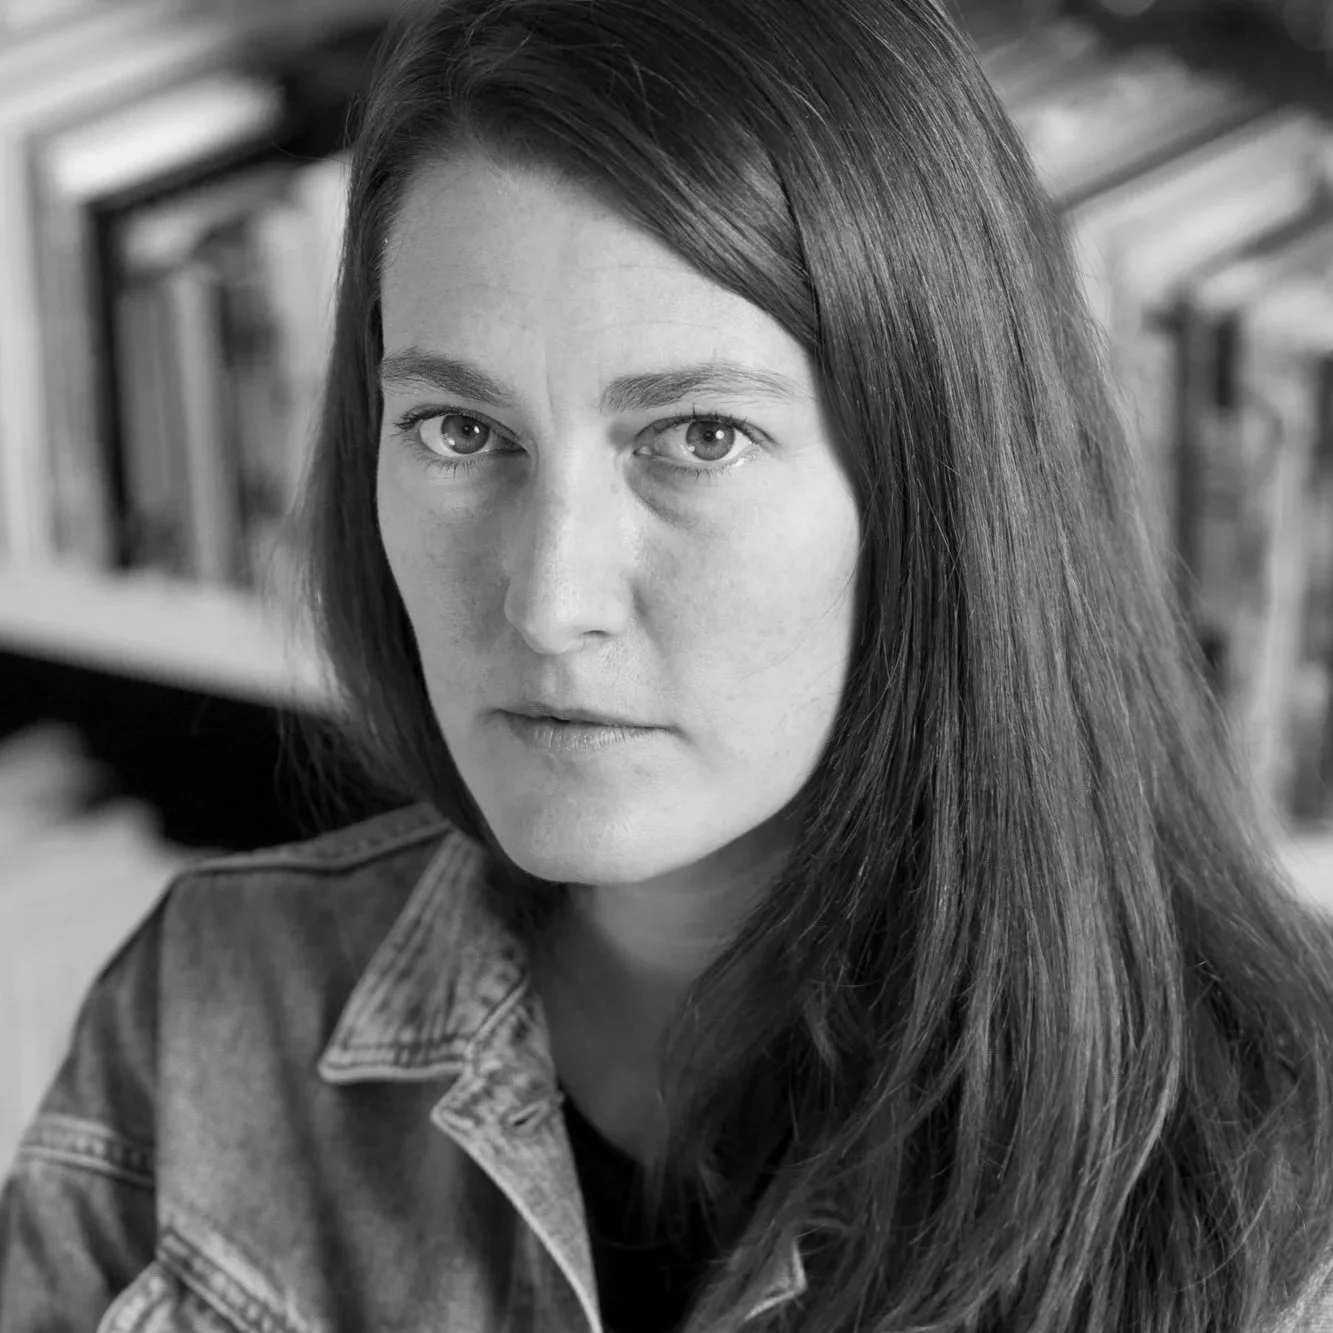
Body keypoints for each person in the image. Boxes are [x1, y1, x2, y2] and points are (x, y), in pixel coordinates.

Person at [5, 0, 1333, 1328]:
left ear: (939, 482)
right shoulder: (208, 1010)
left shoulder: (1284, 1209)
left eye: (698, 437)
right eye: (459, 429)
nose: (549, 603)